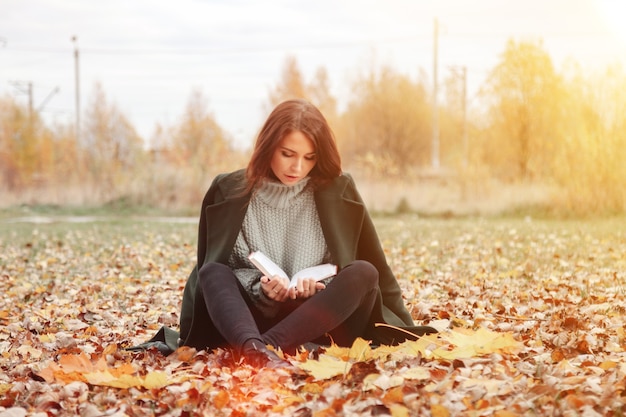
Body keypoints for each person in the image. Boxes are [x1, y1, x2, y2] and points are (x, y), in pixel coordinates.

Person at [178, 99, 435, 367]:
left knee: (365, 272)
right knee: (210, 271)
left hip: (317, 320)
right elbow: (215, 271)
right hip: (246, 319)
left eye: (309, 157)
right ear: (267, 147)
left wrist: (319, 290)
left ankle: (260, 349)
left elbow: (375, 266)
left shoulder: (338, 188)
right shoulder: (227, 189)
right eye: (287, 154)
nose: (297, 168)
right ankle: (256, 345)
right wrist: (261, 288)